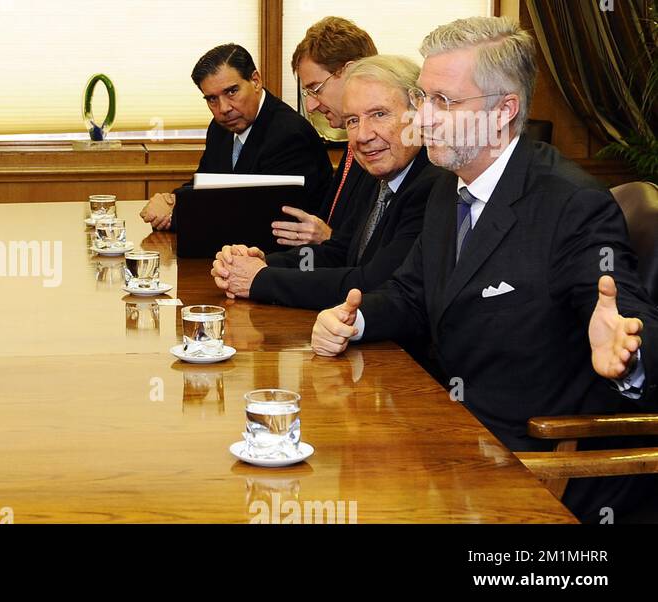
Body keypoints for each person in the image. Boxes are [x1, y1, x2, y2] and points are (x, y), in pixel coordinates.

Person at [309, 17, 658, 521]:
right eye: (422, 98)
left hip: (530, 467)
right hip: (448, 435)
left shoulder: (571, 204)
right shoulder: (448, 186)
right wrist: (353, 320)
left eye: (443, 103)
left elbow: (622, 310)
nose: (422, 119)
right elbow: (411, 293)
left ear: (503, 111)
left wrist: (629, 349)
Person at [211, 55, 445, 310]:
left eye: (379, 114)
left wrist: (260, 278)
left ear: (419, 115)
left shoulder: (433, 186)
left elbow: (370, 282)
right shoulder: (375, 173)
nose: (363, 135)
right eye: (353, 121)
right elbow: (336, 253)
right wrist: (265, 261)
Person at [139, 43, 331, 233]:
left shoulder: (289, 135)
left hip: (293, 257)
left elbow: (262, 217)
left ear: (255, 81)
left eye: (231, 92)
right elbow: (205, 185)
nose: (223, 108)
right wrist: (172, 201)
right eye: (212, 99)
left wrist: (173, 216)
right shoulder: (219, 128)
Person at [279, 16, 380, 246]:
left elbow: (376, 260)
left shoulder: (380, 150)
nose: (312, 106)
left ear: (352, 72)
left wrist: (328, 238)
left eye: (316, 89)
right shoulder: (352, 146)